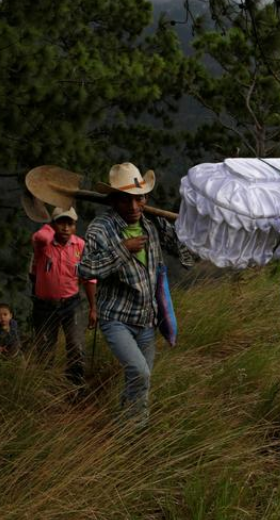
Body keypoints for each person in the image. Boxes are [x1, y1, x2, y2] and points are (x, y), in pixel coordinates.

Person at [78, 163, 193, 427]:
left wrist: (192, 228)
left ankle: (132, 430)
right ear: (114, 200)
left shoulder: (152, 223)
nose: (132, 207)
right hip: (116, 317)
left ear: (146, 199)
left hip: (146, 319)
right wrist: (122, 249)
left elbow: (184, 252)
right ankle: (132, 427)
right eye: (125, 200)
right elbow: (86, 268)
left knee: (143, 378)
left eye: (138, 199)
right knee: (139, 371)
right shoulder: (100, 229)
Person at [30, 206, 96, 385]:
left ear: (75, 226)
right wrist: (49, 227)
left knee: (76, 345)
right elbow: (39, 237)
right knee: (45, 349)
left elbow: (89, 278)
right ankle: (45, 388)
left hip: (71, 304)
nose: (65, 228)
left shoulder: (79, 245)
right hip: (44, 306)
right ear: (53, 224)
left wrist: (93, 308)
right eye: (61, 223)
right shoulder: (44, 244)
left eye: (70, 223)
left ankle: (75, 387)